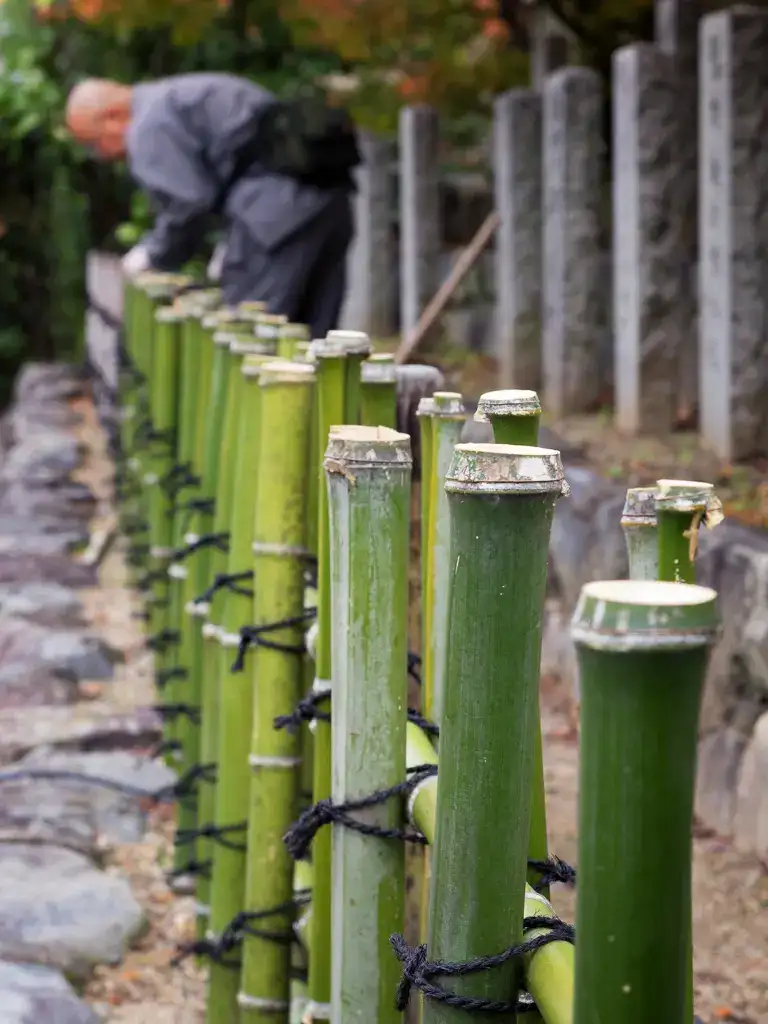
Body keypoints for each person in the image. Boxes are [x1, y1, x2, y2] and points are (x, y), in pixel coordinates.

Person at [65, 73, 360, 337]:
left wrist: (152, 256)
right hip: (330, 201)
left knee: (254, 340)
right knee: (315, 345)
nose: (101, 156)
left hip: (273, 219)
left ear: (112, 117)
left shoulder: (148, 126)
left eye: (94, 144)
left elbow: (188, 204)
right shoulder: (183, 94)